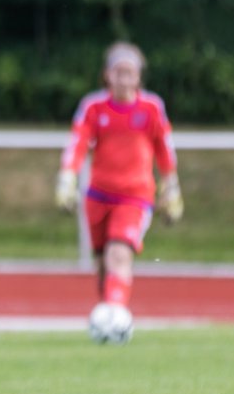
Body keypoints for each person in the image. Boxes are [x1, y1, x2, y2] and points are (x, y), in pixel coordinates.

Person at [55, 41, 184, 322]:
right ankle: (109, 313)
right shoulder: (93, 107)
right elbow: (78, 143)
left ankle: (116, 315)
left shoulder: (151, 108)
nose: (124, 79)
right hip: (99, 196)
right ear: (107, 75)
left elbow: (164, 148)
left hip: (135, 196)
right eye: (118, 72)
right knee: (103, 263)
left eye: (130, 73)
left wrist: (170, 187)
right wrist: (68, 176)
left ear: (139, 77)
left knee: (119, 253)